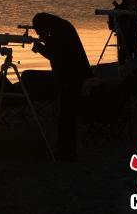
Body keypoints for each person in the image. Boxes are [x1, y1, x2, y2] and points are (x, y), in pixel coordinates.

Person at [30, 13, 92, 161]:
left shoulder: (59, 31)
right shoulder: (60, 27)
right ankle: (66, 149)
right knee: (68, 113)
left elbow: (55, 54)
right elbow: (56, 50)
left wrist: (40, 48)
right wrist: (45, 41)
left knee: (67, 113)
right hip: (73, 74)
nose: (40, 34)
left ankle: (66, 151)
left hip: (71, 76)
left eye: (39, 31)